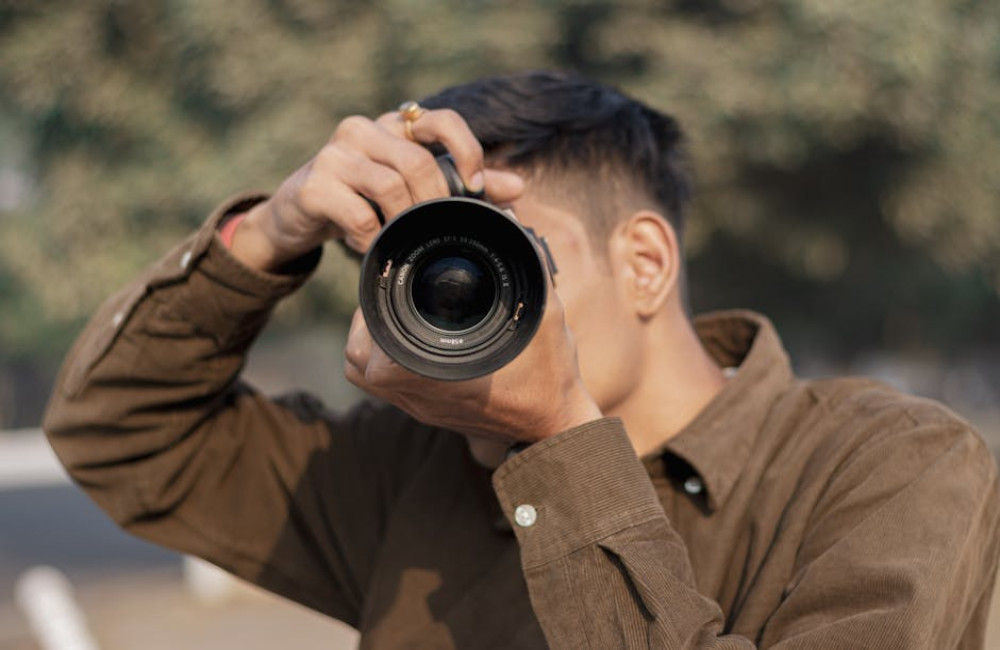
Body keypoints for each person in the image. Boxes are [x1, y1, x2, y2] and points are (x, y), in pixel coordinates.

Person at [44, 70, 1000, 649]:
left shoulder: (894, 468)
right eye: (426, 269)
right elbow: (119, 435)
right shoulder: (409, 469)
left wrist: (558, 439)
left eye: (509, 251)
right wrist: (270, 233)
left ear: (646, 262)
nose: (459, 298)